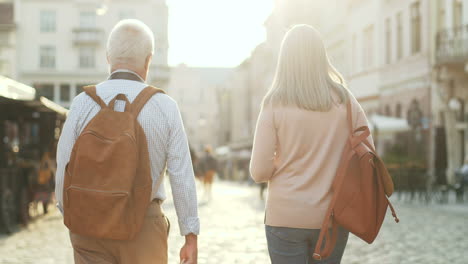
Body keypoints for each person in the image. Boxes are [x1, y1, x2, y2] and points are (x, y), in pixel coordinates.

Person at [55, 20, 199, 264]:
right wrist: (190, 234)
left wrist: (70, 211)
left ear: (108, 57)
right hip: (142, 225)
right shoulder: (165, 107)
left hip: (89, 223)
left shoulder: (81, 103)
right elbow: (181, 176)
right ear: (148, 60)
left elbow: (64, 167)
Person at [249, 25, 374, 264]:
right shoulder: (346, 100)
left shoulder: (274, 102)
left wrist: (284, 162)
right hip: (332, 215)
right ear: (321, 55)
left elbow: (258, 172)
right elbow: (368, 154)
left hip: (284, 216)